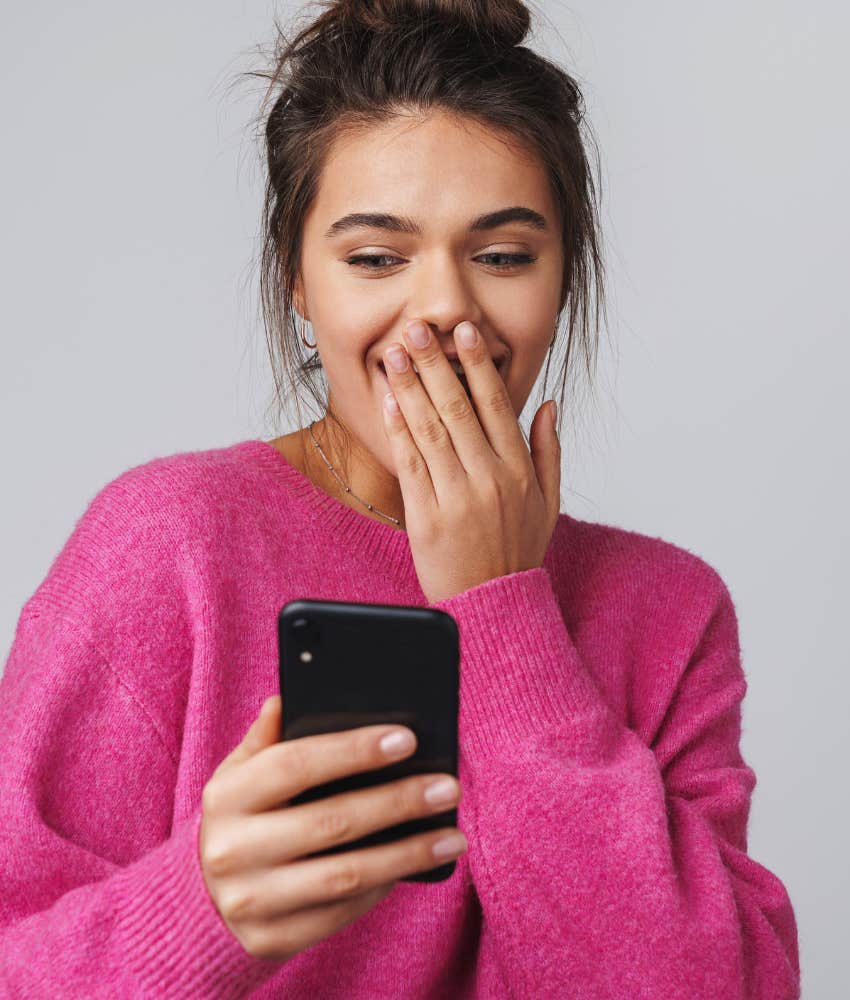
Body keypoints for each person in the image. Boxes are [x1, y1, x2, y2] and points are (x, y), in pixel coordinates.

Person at [0, 1, 801, 997]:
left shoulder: (666, 609)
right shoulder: (167, 544)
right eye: (374, 257)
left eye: (503, 255)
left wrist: (500, 604)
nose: (442, 309)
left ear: (564, 278)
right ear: (298, 278)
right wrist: (202, 907)